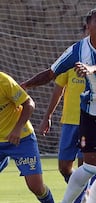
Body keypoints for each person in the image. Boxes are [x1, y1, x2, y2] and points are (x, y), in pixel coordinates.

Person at [21, 8, 96, 203]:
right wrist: (26, 85)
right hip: (91, 113)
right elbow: (51, 73)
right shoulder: (77, 50)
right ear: (88, 26)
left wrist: (91, 69)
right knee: (90, 166)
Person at [0, 72, 55, 203]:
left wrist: (17, 128)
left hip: (21, 138)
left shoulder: (4, 81)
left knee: (36, 187)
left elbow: (29, 103)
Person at [38, 70, 86, 203]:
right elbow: (58, 90)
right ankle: (83, 193)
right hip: (69, 123)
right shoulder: (69, 62)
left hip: (90, 123)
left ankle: (80, 199)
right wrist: (48, 116)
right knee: (64, 167)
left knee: (85, 167)